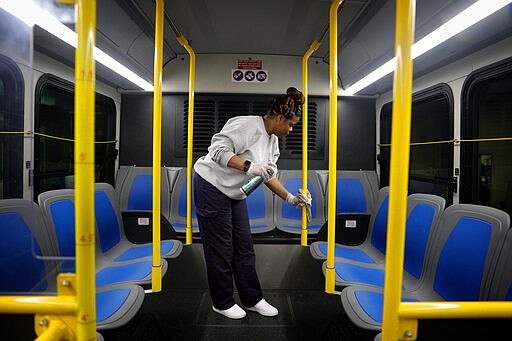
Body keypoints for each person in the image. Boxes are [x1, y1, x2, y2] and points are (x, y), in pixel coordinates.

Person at [193, 87, 310, 319]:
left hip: (234, 193)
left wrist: (291, 199)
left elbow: (267, 176)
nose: (291, 129)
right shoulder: (246, 125)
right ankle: (222, 301)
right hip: (211, 186)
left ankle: (252, 299)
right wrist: (249, 166)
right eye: (290, 124)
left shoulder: (273, 141)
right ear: (278, 118)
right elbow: (217, 151)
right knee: (221, 249)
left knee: (245, 247)